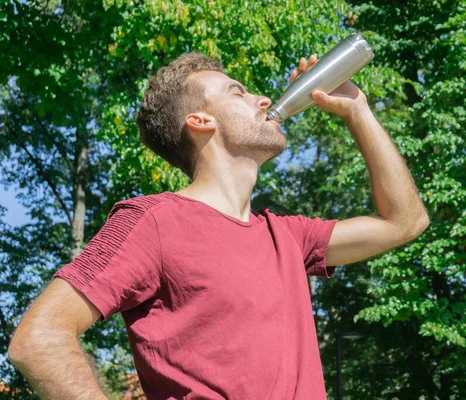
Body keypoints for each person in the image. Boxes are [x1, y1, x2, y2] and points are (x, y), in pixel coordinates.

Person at [8, 52, 429, 399]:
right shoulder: (152, 222)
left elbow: (404, 221)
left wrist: (357, 110)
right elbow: (39, 338)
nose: (264, 99)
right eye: (237, 92)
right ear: (199, 121)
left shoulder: (288, 236)